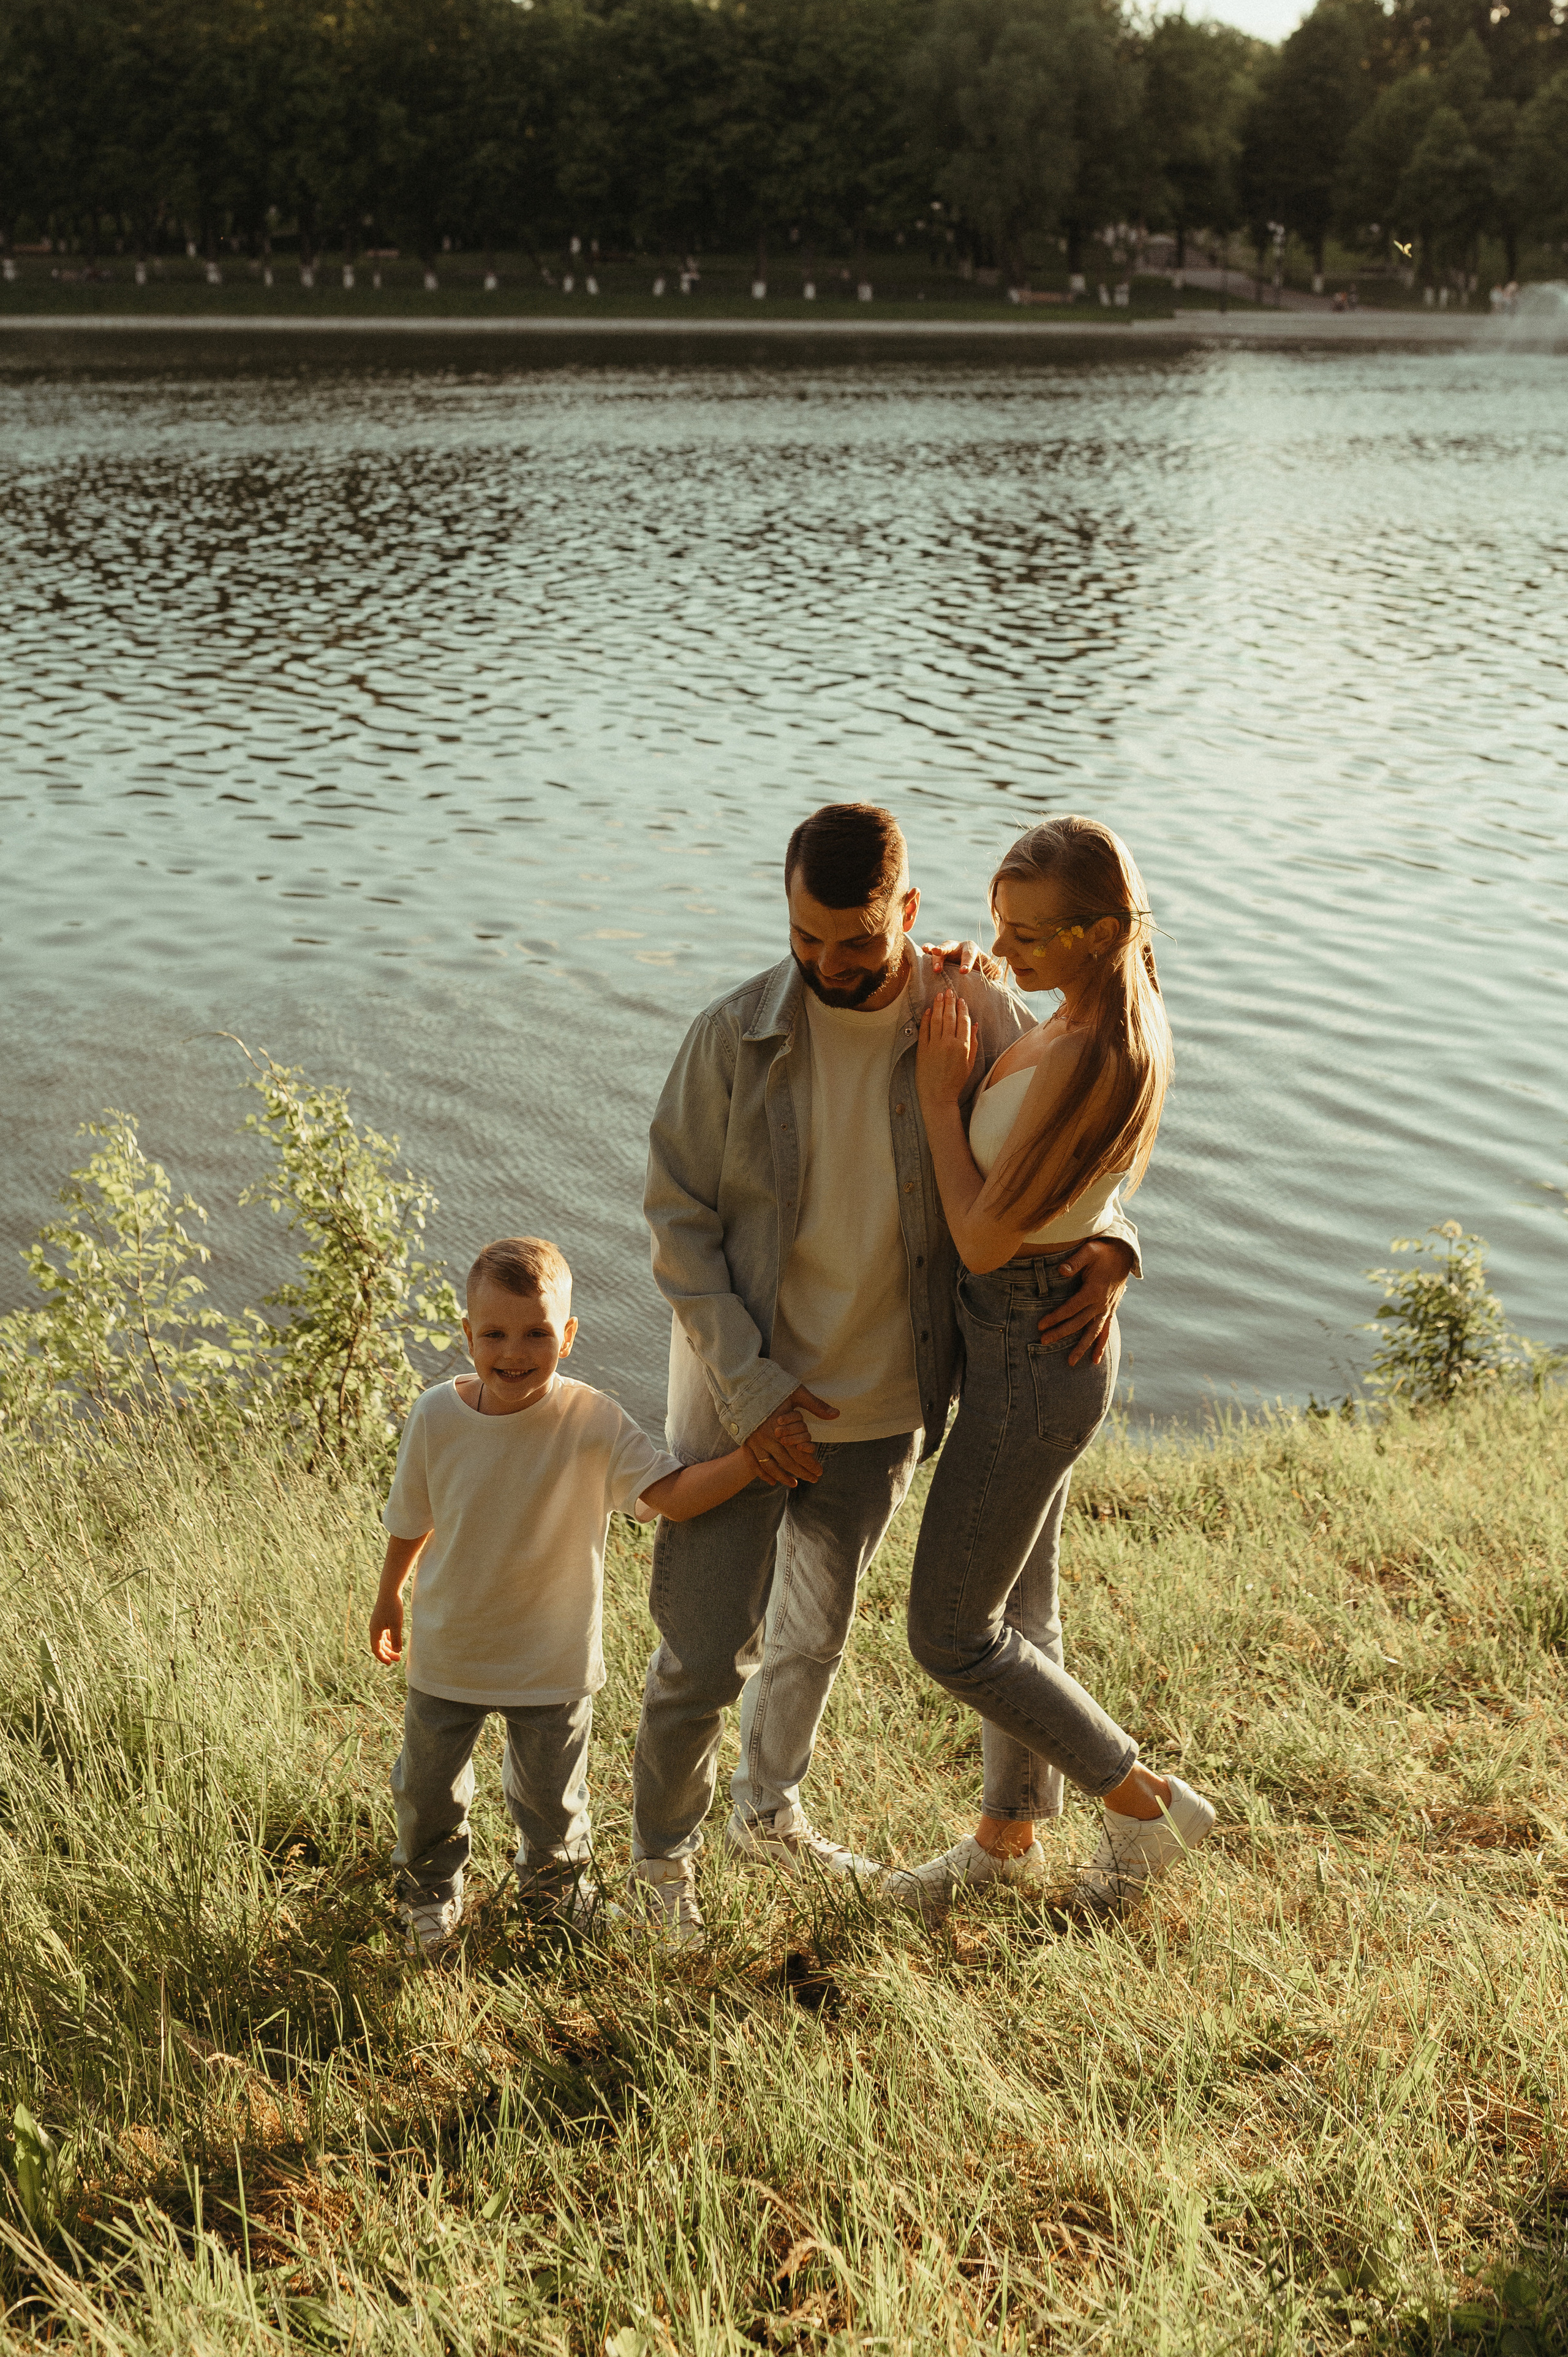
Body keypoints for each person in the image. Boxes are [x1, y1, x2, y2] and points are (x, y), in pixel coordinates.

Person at [628, 803, 1142, 1943]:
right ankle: (661, 1866)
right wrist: (752, 1391)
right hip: (739, 1401)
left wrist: (1114, 1245)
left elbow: (1074, 1136)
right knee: (701, 1653)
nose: (827, 962)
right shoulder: (732, 1037)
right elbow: (676, 1223)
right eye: (804, 936)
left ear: (906, 910)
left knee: (813, 1636)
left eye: (857, 939)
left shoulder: (978, 1012)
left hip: (880, 1407)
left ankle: (770, 1814)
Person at [889, 815, 1216, 1918]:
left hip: (1032, 1353)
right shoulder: (1086, 1015)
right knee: (1021, 1612)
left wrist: (940, 1097)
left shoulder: (1095, 1050)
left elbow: (985, 1238)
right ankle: (1007, 1836)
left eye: (1028, 934)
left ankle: (1145, 1803)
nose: (1005, 945)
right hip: (1032, 1344)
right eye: (1001, 925)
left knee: (950, 1631)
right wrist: (985, 987)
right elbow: (1061, 1163)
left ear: (1103, 931)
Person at [371, 1234, 782, 1954]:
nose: (514, 1352)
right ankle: (430, 1892)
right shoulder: (435, 1416)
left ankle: (553, 1896)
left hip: (552, 1660)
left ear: (568, 1335)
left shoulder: (591, 1420)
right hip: (450, 1649)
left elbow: (670, 1496)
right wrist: (389, 1596)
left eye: (536, 1333)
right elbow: (412, 1517)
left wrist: (751, 1460)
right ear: (467, 1334)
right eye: (494, 1334)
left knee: (553, 1802)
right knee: (427, 1789)